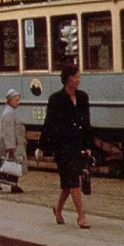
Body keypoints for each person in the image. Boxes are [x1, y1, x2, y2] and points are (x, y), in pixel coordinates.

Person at [36, 65, 94, 229]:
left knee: (69, 184)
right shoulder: (56, 99)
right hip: (62, 145)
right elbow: (48, 123)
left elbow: (86, 122)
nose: (78, 79)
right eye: (76, 76)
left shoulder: (83, 97)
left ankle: (58, 209)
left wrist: (88, 144)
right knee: (73, 179)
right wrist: (41, 147)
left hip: (77, 144)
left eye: (79, 77)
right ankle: (81, 217)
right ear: (68, 79)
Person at [0, 89, 27, 194]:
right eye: (16, 100)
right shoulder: (9, 113)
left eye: (18, 100)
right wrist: (10, 147)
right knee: (14, 164)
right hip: (10, 144)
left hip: (12, 142)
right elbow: (9, 131)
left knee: (8, 164)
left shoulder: (10, 112)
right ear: (10, 101)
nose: (18, 102)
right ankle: (13, 186)